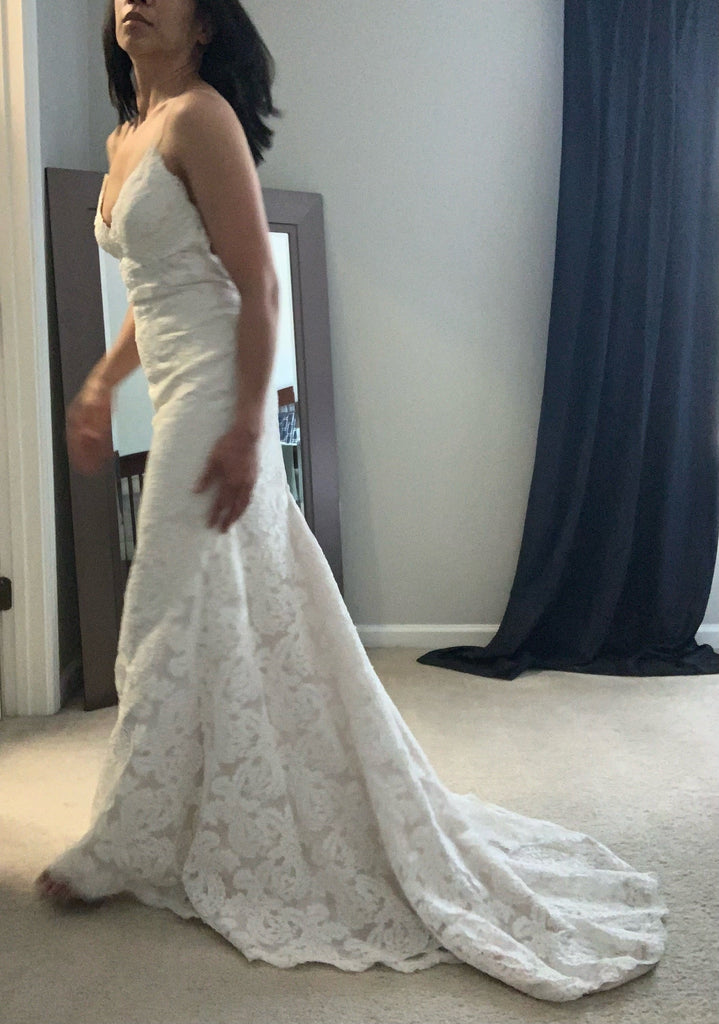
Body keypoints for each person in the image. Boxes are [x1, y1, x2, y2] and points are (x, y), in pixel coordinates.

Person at [36, 0, 667, 1001]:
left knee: (158, 609)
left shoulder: (201, 117)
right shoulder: (127, 137)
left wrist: (247, 429)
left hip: (213, 396)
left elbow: (256, 287)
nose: (133, 0)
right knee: (213, 612)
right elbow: (159, 287)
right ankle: (179, 808)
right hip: (176, 385)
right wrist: (102, 383)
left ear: (205, 25)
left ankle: (120, 837)